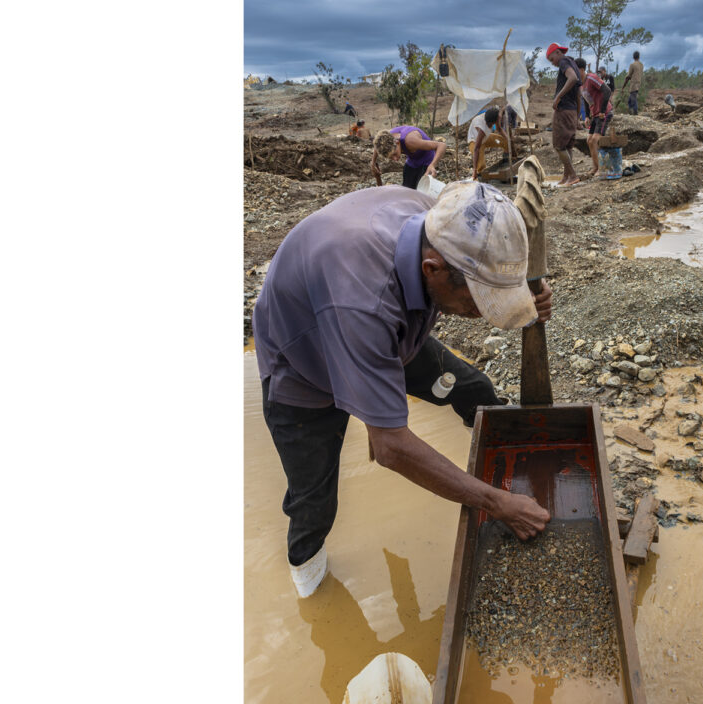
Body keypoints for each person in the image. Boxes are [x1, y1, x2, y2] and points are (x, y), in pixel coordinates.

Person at [253, 181, 554, 597]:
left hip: (390, 336)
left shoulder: (440, 219)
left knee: (474, 389)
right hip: (305, 370)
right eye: (477, 301)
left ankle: (506, 480)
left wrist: (523, 300)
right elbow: (392, 449)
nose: (479, 313)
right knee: (314, 502)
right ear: (433, 270)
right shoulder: (363, 301)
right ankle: (312, 587)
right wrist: (493, 504)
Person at [545, 42, 582, 186]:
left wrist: (558, 97)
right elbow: (578, 95)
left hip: (564, 110)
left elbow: (571, 78)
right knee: (568, 147)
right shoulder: (574, 65)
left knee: (559, 146)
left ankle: (572, 175)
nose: (553, 63)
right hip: (572, 111)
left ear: (558, 53)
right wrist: (577, 116)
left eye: (551, 59)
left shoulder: (564, 62)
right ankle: (566, 176)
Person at [372, 125, 446, 189]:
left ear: (397, 143)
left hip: (426, 160)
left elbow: (441, 145)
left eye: (394, 154)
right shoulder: (386, 138)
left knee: (422, 191)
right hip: (412, 160)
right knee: (406, 189)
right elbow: (377, 144)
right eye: (391, 157)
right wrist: (373, 162)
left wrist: (432, 165)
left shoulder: (410, 141)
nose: (395, 159)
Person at [576, 58, 612, 181]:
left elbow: (607, 91)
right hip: (595, 114)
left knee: (596, 139)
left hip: (604, 112)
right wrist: (586, 116)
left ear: (581, 70)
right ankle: (595, 167)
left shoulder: (591, 78)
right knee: (589, 140)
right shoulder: (580, 85)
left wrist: (602, 111)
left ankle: (602, 168)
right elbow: (586, 101)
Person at [467, 107, 500, 180]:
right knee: (481, 165)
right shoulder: (482, 129)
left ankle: (509, 155)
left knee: (500, 140)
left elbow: (499, 129)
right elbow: (476, 148)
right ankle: (479, 178)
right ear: (493, 122)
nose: (500, 118)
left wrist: (507, 139)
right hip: (475, 142)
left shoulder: (491, 116)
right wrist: (475, 170)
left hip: (485, 138)